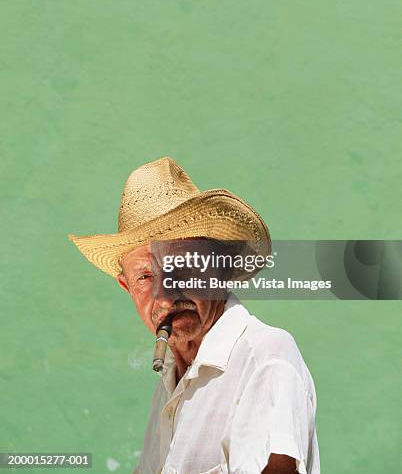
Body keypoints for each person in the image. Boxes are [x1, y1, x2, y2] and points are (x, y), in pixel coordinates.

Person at [68, 157, 320, 473]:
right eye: (146, 277)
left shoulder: (264, 358)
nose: (166, 295)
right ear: (126, 287)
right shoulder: (173, 381)